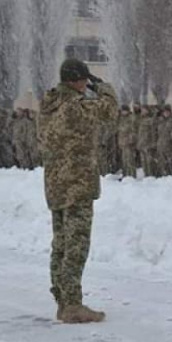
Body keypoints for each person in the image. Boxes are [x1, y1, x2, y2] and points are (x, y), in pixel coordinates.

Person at [37, 58, 118, 323]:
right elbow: (109, 111)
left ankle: (62, 301)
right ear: (76, 81)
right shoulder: (75, 106)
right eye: (84, 79)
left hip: (56, 184)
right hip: (77, 184)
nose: (86, 84)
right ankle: (72, 304)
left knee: (60, 244)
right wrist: (103, 87)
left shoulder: (49, 106)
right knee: (76, 245)